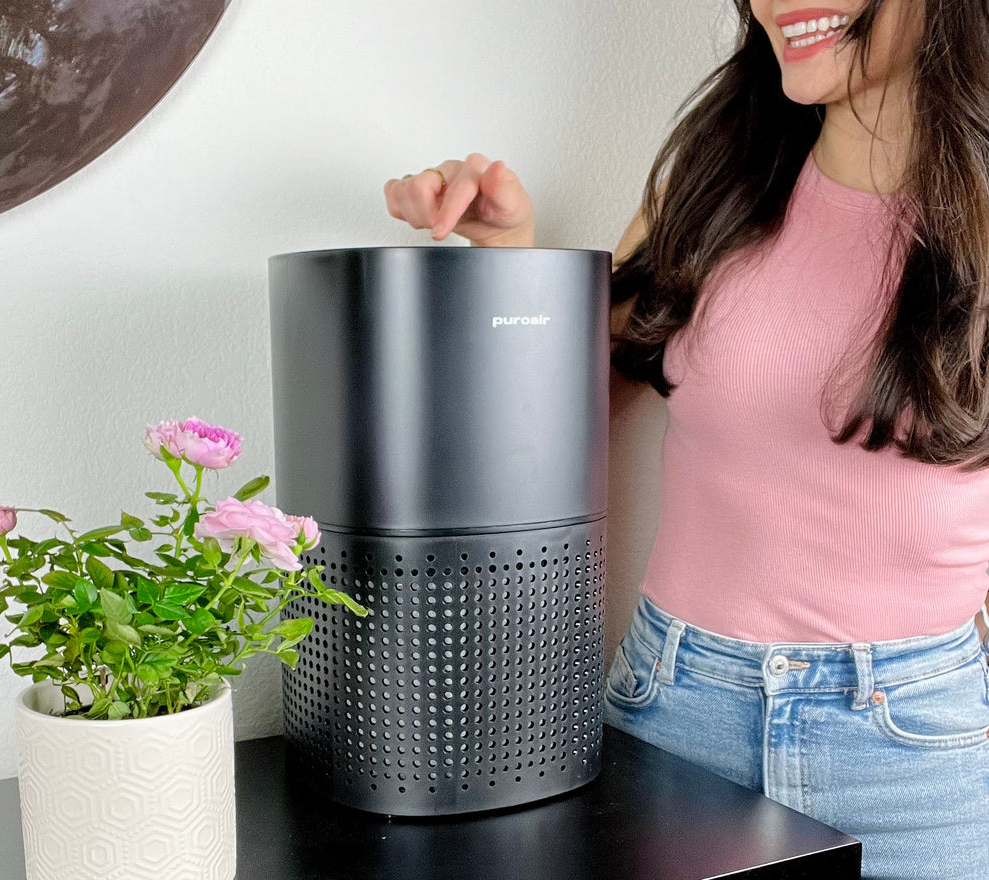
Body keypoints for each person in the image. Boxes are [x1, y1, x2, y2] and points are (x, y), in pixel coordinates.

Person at [383, 2, 989, 878]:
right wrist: (509, 261)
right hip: (675, 711)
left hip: (920, 753)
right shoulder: (717, 183)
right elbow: (552, 415)